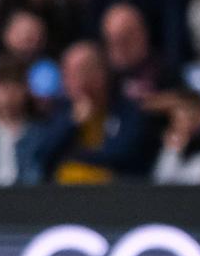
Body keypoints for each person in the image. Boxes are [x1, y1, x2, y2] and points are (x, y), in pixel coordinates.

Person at [40, 41, 154, 183]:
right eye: (67, 73)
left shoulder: (127, 109)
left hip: (116, 195)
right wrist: (72, 123)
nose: (71, 80)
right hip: (65, 196)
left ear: (101, 73)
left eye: (80, 72)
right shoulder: (62, 110)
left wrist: (76, 156)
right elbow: (44, 156)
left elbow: (125, 155)